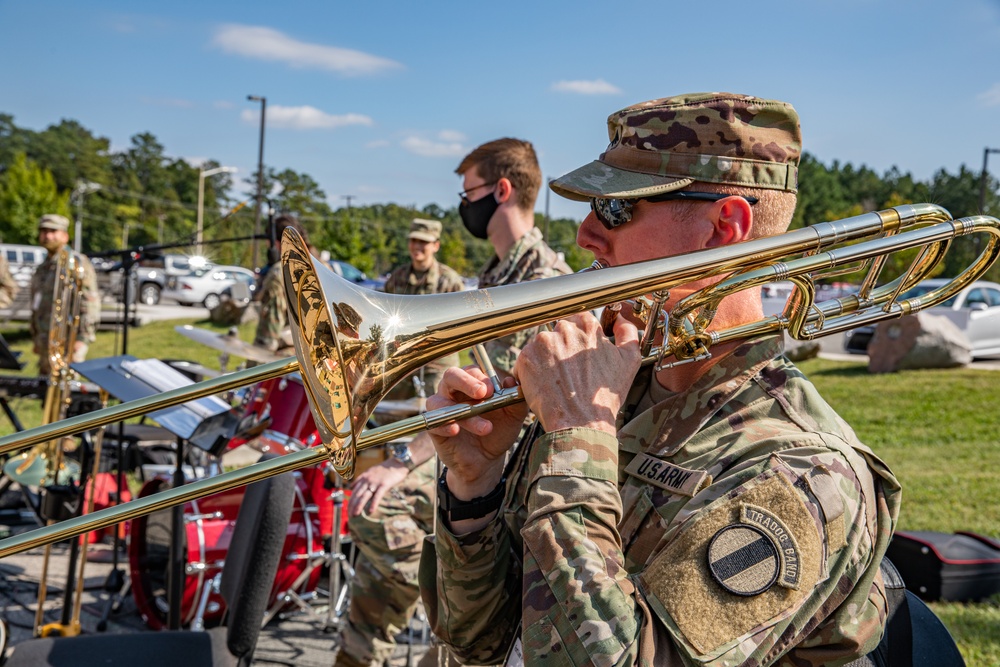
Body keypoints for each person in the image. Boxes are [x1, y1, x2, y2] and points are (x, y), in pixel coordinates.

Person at [421, 93, 901, 666]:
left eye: (617, 209)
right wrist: (477, 487)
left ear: (724, 227)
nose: (585, 236)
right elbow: (478, 640)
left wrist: (579, 439)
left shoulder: (805, 470)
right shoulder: (612, 395)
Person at [456, 137, 571, 375]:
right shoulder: (500, 271)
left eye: (469, 192)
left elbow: (502, 389)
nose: (465, 203)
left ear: (501, 190)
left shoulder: (543, 280)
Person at [29, 214, 100, 377]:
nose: (47, 236)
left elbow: (90, 302)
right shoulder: (43, 267)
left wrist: (83, 338)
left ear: (65, 236)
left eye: (53, 231)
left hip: (68, 341)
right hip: (45, 340)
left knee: (65, 391)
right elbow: (36, 305)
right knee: (45, 389)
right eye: (44, 231)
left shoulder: (76, 263)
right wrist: (35, 336)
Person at [253, 213, 307, 355]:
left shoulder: (279, 272)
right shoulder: (322, 266)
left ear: (277, 243)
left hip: (281, 359)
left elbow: (270, 330)